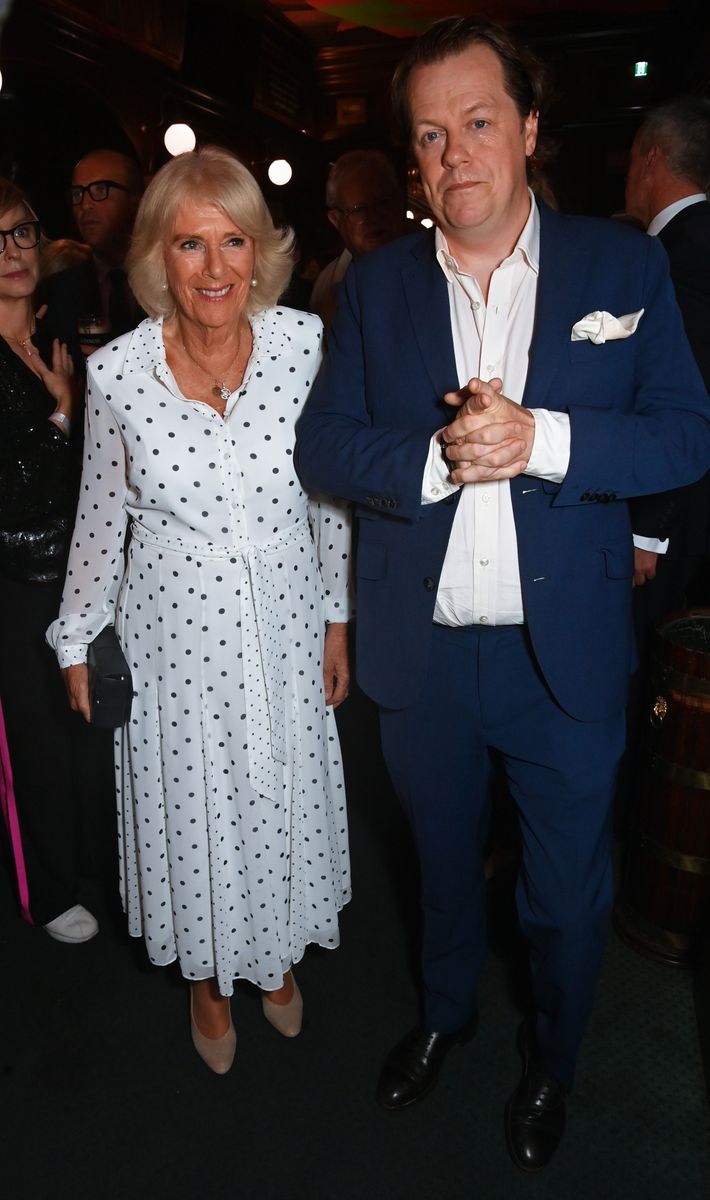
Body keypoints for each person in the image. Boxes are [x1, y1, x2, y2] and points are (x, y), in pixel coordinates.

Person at [295, 16, 710, 1171]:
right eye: (429, 135)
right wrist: (434, 460)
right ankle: (442, 1017)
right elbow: (324, 448)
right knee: (436, 866)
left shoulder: (622, 266)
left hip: (561, 653)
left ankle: (556, 1063)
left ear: (528, 130)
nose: (453, 154)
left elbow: (684, 432)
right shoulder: (372, 288)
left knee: (564, 898)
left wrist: (542, 442)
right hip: (421, 658)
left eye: (478, 122)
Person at [48, 145, 352, 1075]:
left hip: (286, 628)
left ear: (261, 252)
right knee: (196, 809)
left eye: (233, 242)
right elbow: (100, 521)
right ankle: (209, 981)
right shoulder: (118, 374)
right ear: (157, 259)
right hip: (172, 642)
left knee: (276, 794)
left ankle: (273, 961)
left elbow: (327, 500)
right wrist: (74, 636)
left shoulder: (305, 345)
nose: (215, 269)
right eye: (190, 244)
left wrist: (338, 618)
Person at [0, 176, 100, 943]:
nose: (12, 252)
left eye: (22, 231)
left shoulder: (55, 336)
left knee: (82, 729)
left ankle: (89, 863)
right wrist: (65, 413)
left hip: (75, 570)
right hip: (14, 580)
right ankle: (50, 889)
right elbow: (15, 485)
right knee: (31, 739)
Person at [625, 96, 710, 620]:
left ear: (651, 159)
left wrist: (648, 528)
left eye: (632, 159)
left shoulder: (680, 256)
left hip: (682, 516)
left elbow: (690, 395)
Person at [39, 148, 144, 354]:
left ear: (137, 200)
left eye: (100, 190)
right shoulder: (59, 292)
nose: (85, 204)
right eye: (78, 193)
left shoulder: (170, 280)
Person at [310, 149, 405, 327]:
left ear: (399, 202)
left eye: (382, 203)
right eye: (358, 209)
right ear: (336, 220)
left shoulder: (440, 264)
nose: (373, 217)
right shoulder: (326, 285)